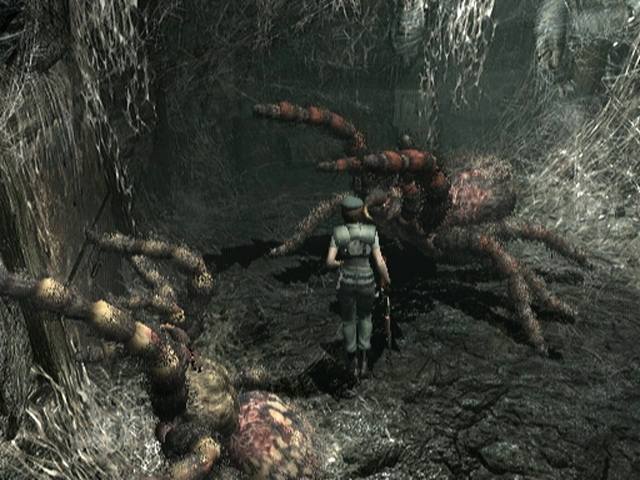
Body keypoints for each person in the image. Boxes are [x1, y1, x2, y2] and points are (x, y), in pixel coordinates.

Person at [326, 195, 391, 378]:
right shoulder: (371, 232)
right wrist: (387, 279)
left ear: (343, 214)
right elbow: (379, 262)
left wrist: (341, 263)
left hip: (346, 282)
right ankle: (363, 361)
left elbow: (329, 262)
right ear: (362, 213)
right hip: (366, 281)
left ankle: (351, 360)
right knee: (365, 318)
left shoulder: (338, 233)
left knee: (348, 320)